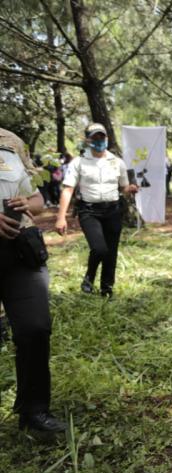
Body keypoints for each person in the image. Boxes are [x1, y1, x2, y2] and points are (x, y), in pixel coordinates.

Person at [0, 127, 66, 434]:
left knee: (35, 328)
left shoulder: (10, 141)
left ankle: (34, 410)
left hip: (20, 250)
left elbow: (37, 196)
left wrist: (30, 204)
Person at [55, 123, 139, 298]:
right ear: (88, 140)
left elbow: (123, 187)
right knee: (100, 249)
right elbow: (68, 189)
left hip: (113, 211)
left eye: (102, 137)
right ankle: (89, 277)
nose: (100, 140)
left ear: (107, 138)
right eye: (95, 137)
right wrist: (61, 217)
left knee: (111, 252)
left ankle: (106, 289)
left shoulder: (117, 162)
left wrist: (129, 189)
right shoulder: (78, 162)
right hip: (89, 211)